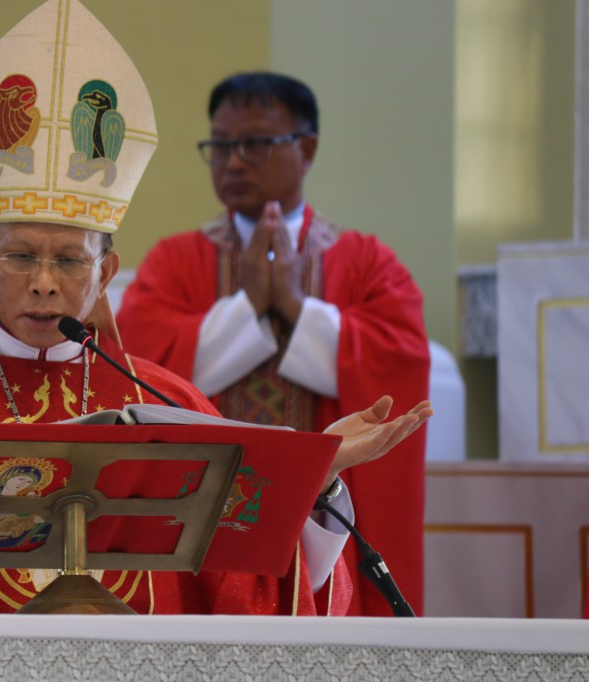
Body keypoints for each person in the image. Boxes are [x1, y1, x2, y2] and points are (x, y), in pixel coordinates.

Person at [0, 1, 431, 616]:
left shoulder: (167, 405)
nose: (44, 283)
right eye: (20, 257)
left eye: (70, 261)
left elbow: (255, 592)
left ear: (106, 274)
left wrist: (318, 479)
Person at [115, 72, 431, 616]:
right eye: (220, 146)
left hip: (324, 517)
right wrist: (250, 308)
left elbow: (397, 361)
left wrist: (294, 306)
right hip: (202, 512)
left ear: (306, 149)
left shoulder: (365, 262)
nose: (234, 163)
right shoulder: (174, 261)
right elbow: (139, 373)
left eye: (255, 144)